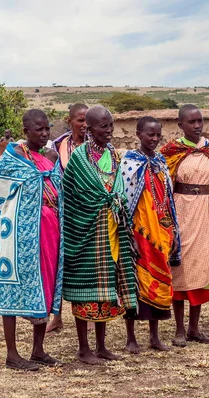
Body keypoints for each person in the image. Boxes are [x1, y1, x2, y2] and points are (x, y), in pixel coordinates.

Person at [0, 109, 63, 371]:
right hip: (18, 232)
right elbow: (3, 195)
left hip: (49, 230)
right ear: (25, 131)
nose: (43, 134)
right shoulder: (12, 157)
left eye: (47, 129)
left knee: (45, 284)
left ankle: (38, 350)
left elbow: (59, 191)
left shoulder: (52, 156)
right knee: (14, 288)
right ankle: (12, 354)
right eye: (38, 129)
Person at [62, 106, 138, 365]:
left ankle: (102, 346)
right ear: (89, 129)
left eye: (110, 125)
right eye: (103, 126)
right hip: (85, 231)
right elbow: (70, 198)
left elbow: (119, 190)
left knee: (106, 288)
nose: (108, 130)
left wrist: (114, 206)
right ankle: (83, 349)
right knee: (86, 287)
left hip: (111, 230)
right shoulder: (79, 159)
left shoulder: (115, 156)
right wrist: (97, 206)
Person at [160, 104, 209, 347]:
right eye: (191, 122)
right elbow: (164, 186)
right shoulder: (171, 150)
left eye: (200, 121)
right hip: (182, 211)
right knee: (181, 266)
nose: (197, 126)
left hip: (207, 210)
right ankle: (179, 329)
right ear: (180, 125)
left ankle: (194, 328)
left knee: (202, 266)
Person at [121, 116, 181, 353]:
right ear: (138, 134)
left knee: (160, 279)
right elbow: (123, 200)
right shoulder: (129, 162)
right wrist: (127, 234)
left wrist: (174, 230)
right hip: (138, 232)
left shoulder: (161, 162)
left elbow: (167, 199)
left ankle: (155, 337)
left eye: (158, 135)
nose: (155, 139)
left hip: (161, 231)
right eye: (150, 135)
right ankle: (130, 338)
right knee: (133, 283)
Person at [46, 103, 88, 333]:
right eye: (80, 120)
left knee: (86, 265)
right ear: (69, 120)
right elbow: (51, 178)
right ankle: (57, 316)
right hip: (64, 212)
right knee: (60, 263)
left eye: (87, 121)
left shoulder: (97, 147)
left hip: (90, 213)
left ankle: (89, 314)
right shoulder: (58, 146)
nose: (84, 125)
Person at [50, 103, 88, 170]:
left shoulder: (96, 145)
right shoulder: (59, 145)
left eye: (88, 120)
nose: (85, 125)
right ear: (70, 122)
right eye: (81, 120)